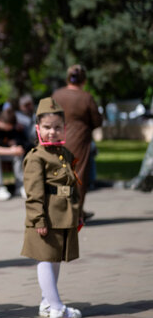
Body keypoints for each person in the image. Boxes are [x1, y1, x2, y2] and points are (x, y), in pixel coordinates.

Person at [20, 97, 83, 318]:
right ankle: (57, 308)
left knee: (54, 259)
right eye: (47, 127)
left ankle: (47, 303)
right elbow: (34, 192)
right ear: (38, 128)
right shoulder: (36, 157)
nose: (52, 132)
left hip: (63, 215)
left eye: (57, 127)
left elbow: (72, 185)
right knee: (45, 259)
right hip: (46, 216)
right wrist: (38, 219)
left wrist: (78, 213)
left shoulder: (64, 154)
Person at [53, 64, 102, 218]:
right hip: (79, 140)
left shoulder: (57, 95)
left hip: (57, 138)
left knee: (61, 175)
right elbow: (97, 121)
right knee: (78, 176)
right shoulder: (86, 97)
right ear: (84, 80)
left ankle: (63, 210)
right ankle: (76, 212)